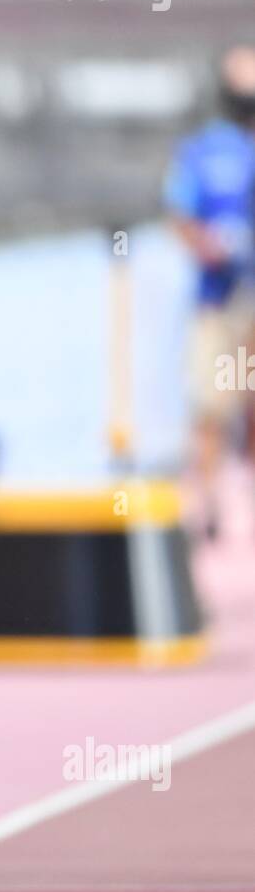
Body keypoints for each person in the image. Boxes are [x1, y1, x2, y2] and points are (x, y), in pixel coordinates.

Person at [165, 44, 255, 539]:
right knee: (211, 406)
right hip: (219, 301)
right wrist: (213, 246)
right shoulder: (204, 150)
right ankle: (210, 513)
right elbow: (181, 217)